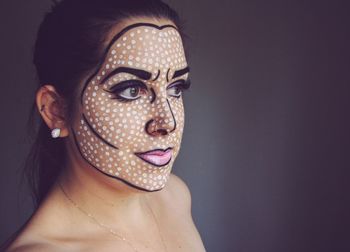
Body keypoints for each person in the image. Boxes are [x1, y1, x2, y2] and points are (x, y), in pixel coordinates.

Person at [4, 0, 206, 251]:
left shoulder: (175, 197)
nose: (167, 123)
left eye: (175, 88)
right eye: (132, 90)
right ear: (57, 111)